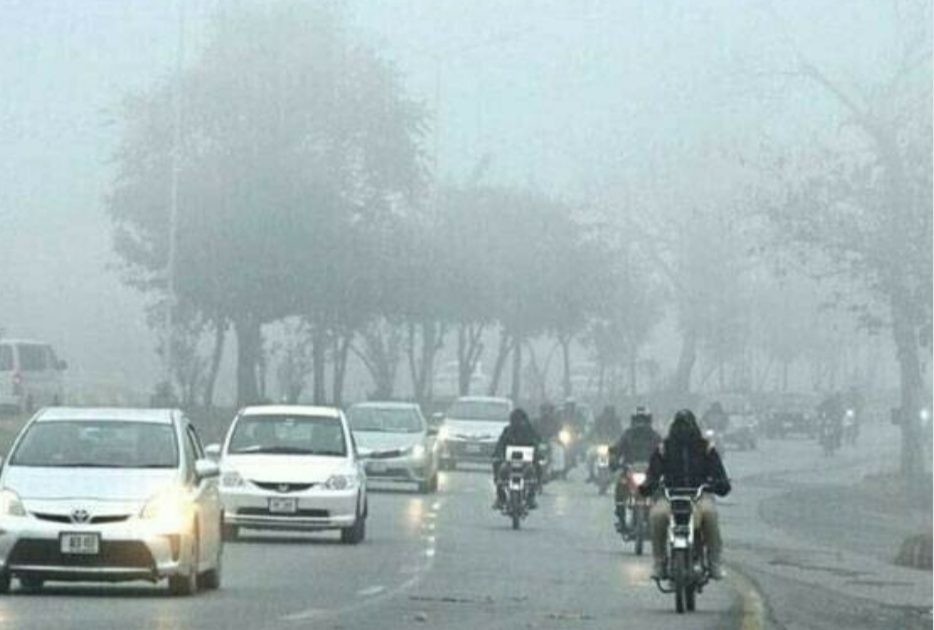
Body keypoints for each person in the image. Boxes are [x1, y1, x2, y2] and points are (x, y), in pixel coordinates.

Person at [639, 409, 731, 580]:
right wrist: (648, 486)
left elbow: (719, 473)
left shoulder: (706, 448)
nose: (683, 429)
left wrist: (719, 484)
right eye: (679, 425)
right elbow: (653, 473)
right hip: (670, 496)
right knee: (657, 517)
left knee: (710, 515)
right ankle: (659, 562)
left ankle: (714, 562)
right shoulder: (664, 448)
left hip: (699, 496)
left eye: (686, 424)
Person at [610, 406, 662, 532]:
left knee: (661, 489)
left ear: (649, 421)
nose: (641, 423)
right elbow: (617, 449)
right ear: (633, 421)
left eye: (644, 420)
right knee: (620, 485)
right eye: (638, 420)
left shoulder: (655, 437)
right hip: (629, 470)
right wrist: (614, 460)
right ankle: (621, 517)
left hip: (650, 472)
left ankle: (660, 518)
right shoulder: (627, 435)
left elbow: (663, 451)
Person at [492, 408, 542, 510]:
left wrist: (537, 455)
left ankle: (531, 496)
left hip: (527, 462)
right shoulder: (507, 431)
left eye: (520, 420)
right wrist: (498, 455)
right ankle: (501, 497)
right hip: (509, 462)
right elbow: (500, 444)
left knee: (536, 471)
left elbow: (537, 443)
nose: (518, 423)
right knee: (499, 473)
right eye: (515, 420)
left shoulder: (530, 431)